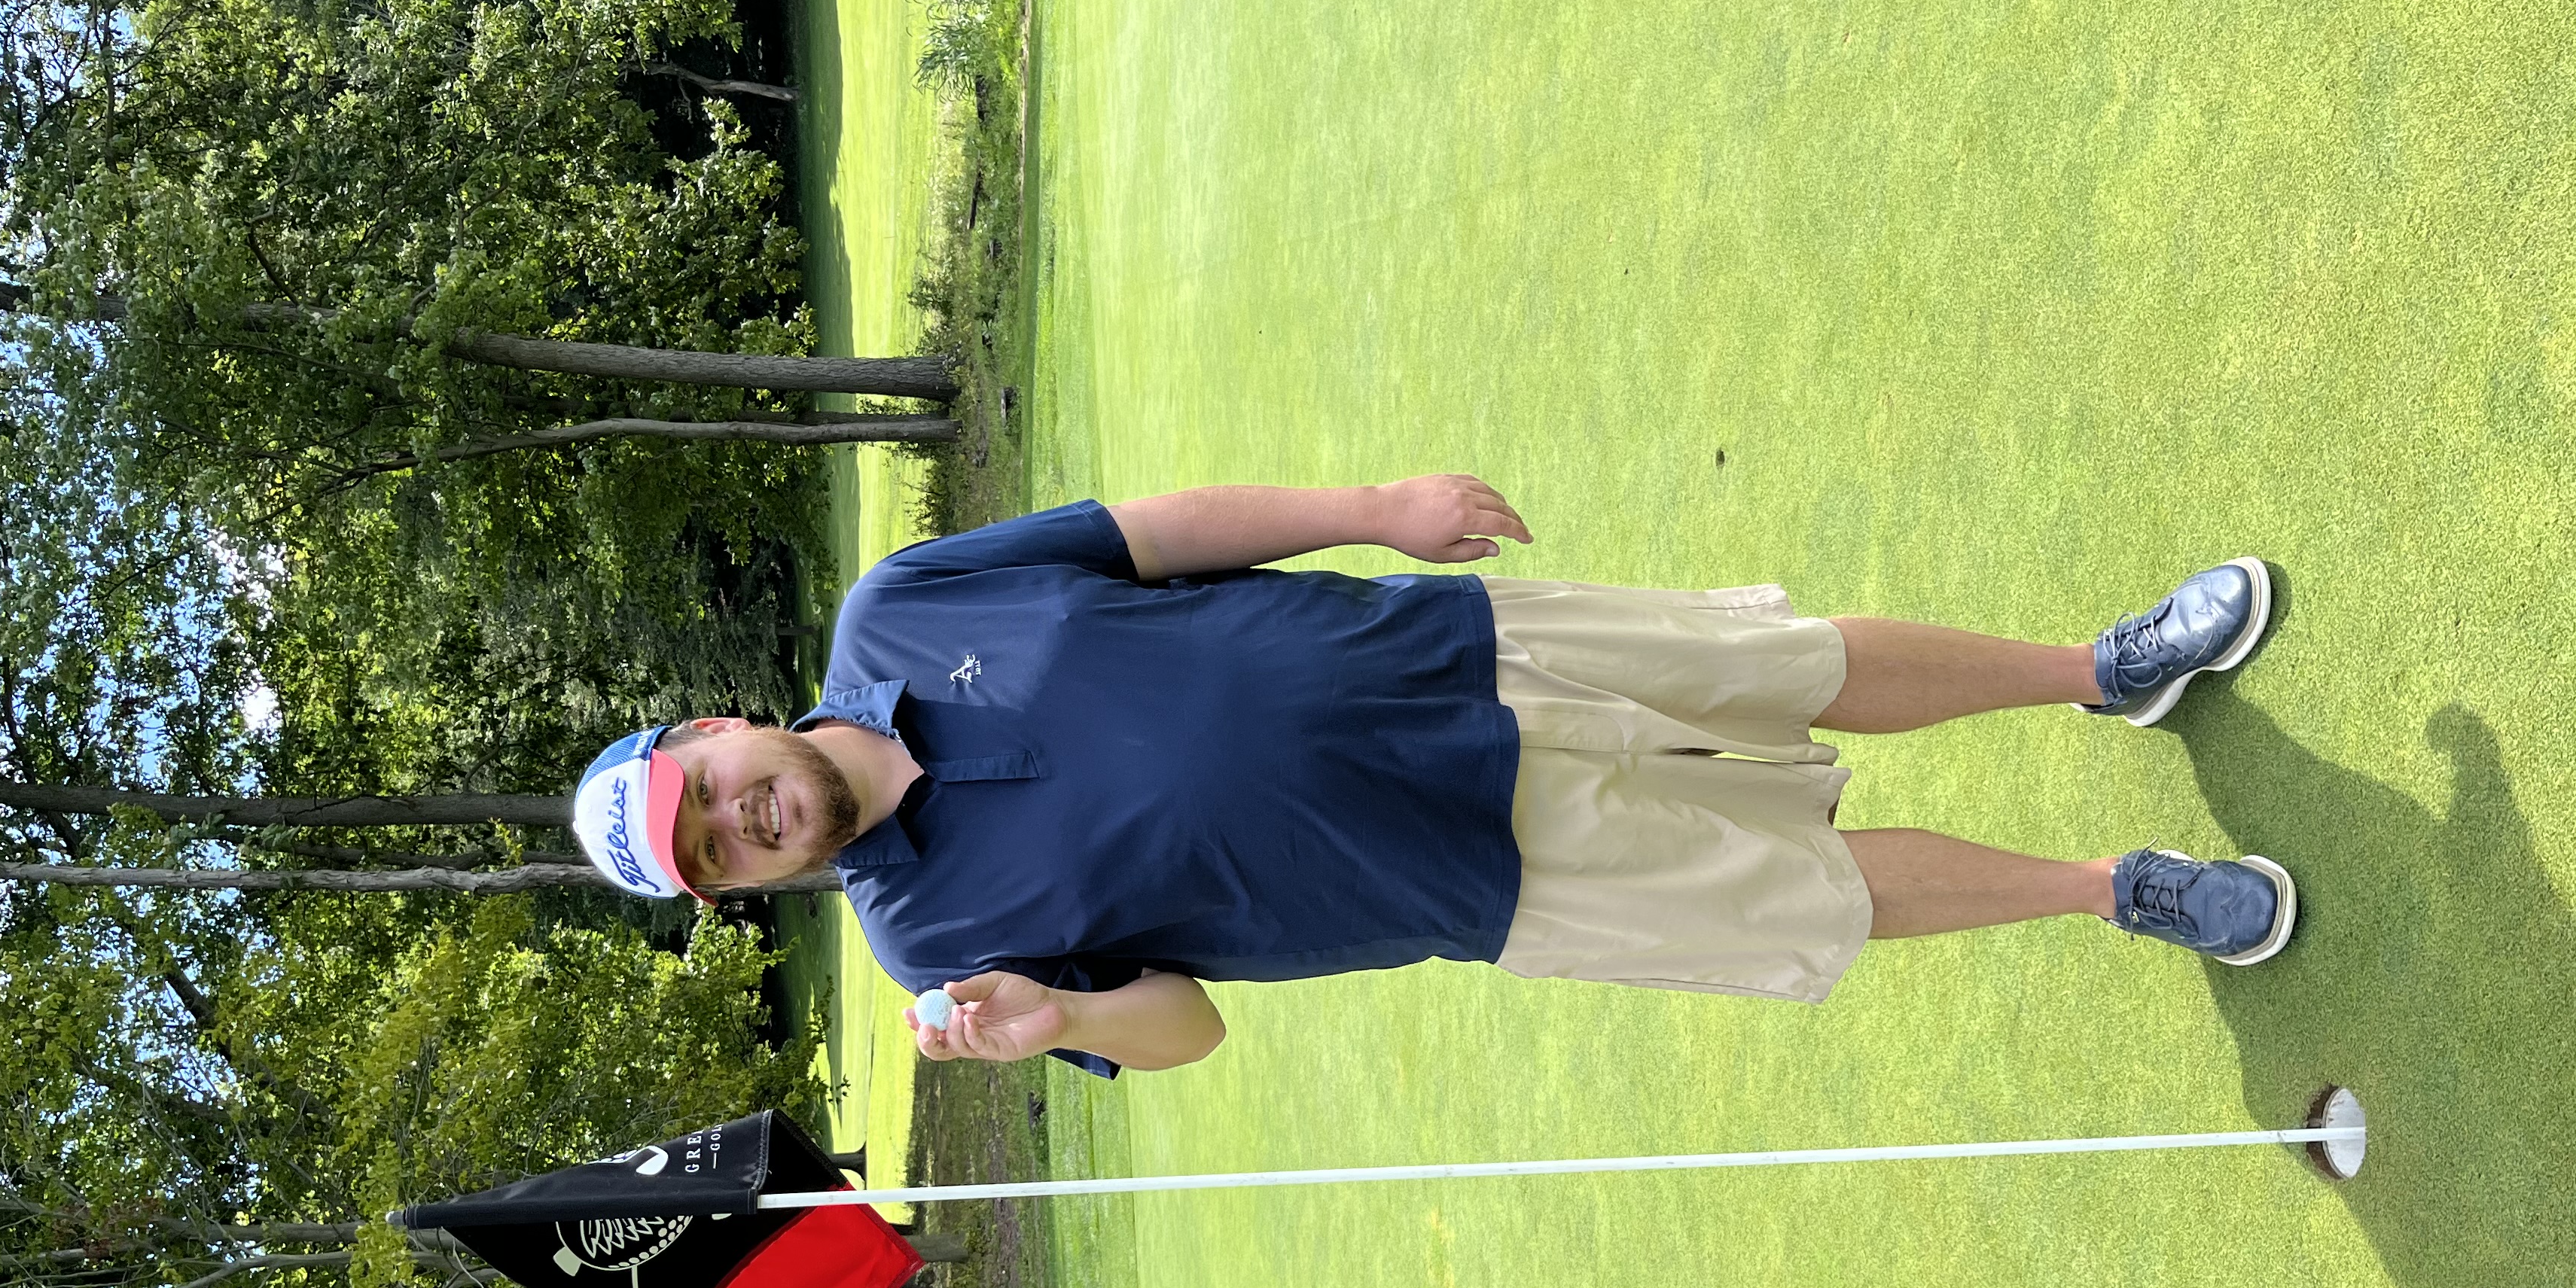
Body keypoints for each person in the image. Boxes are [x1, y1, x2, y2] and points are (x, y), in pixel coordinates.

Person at [572, 477, 2292, 1075]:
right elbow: (1188, 1027)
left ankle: (2105, 672)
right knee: (1811, 894)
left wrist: (1373, 509)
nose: (740, 820)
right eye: (717, 856)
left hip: (1444, 653)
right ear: (741, 890)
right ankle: (2113, 894)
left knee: (1794, 664)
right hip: (1465, 878)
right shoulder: (926, 949)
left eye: (706, 790)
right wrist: (1061, 1020)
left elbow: (1148, 537)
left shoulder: (899, 605)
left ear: (715, 730)